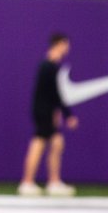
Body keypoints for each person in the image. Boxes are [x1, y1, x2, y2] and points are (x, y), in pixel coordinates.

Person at [18, 33, 78, 197]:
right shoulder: (49, 66)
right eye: (66, 44)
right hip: (44, 111)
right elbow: (55, 94)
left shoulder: (50, 65)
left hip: (44, 110)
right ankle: (28, 182)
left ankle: (53, 181)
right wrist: (67, 115)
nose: (67, 48)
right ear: (59, 44)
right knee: (39, 143)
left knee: (57, 143)